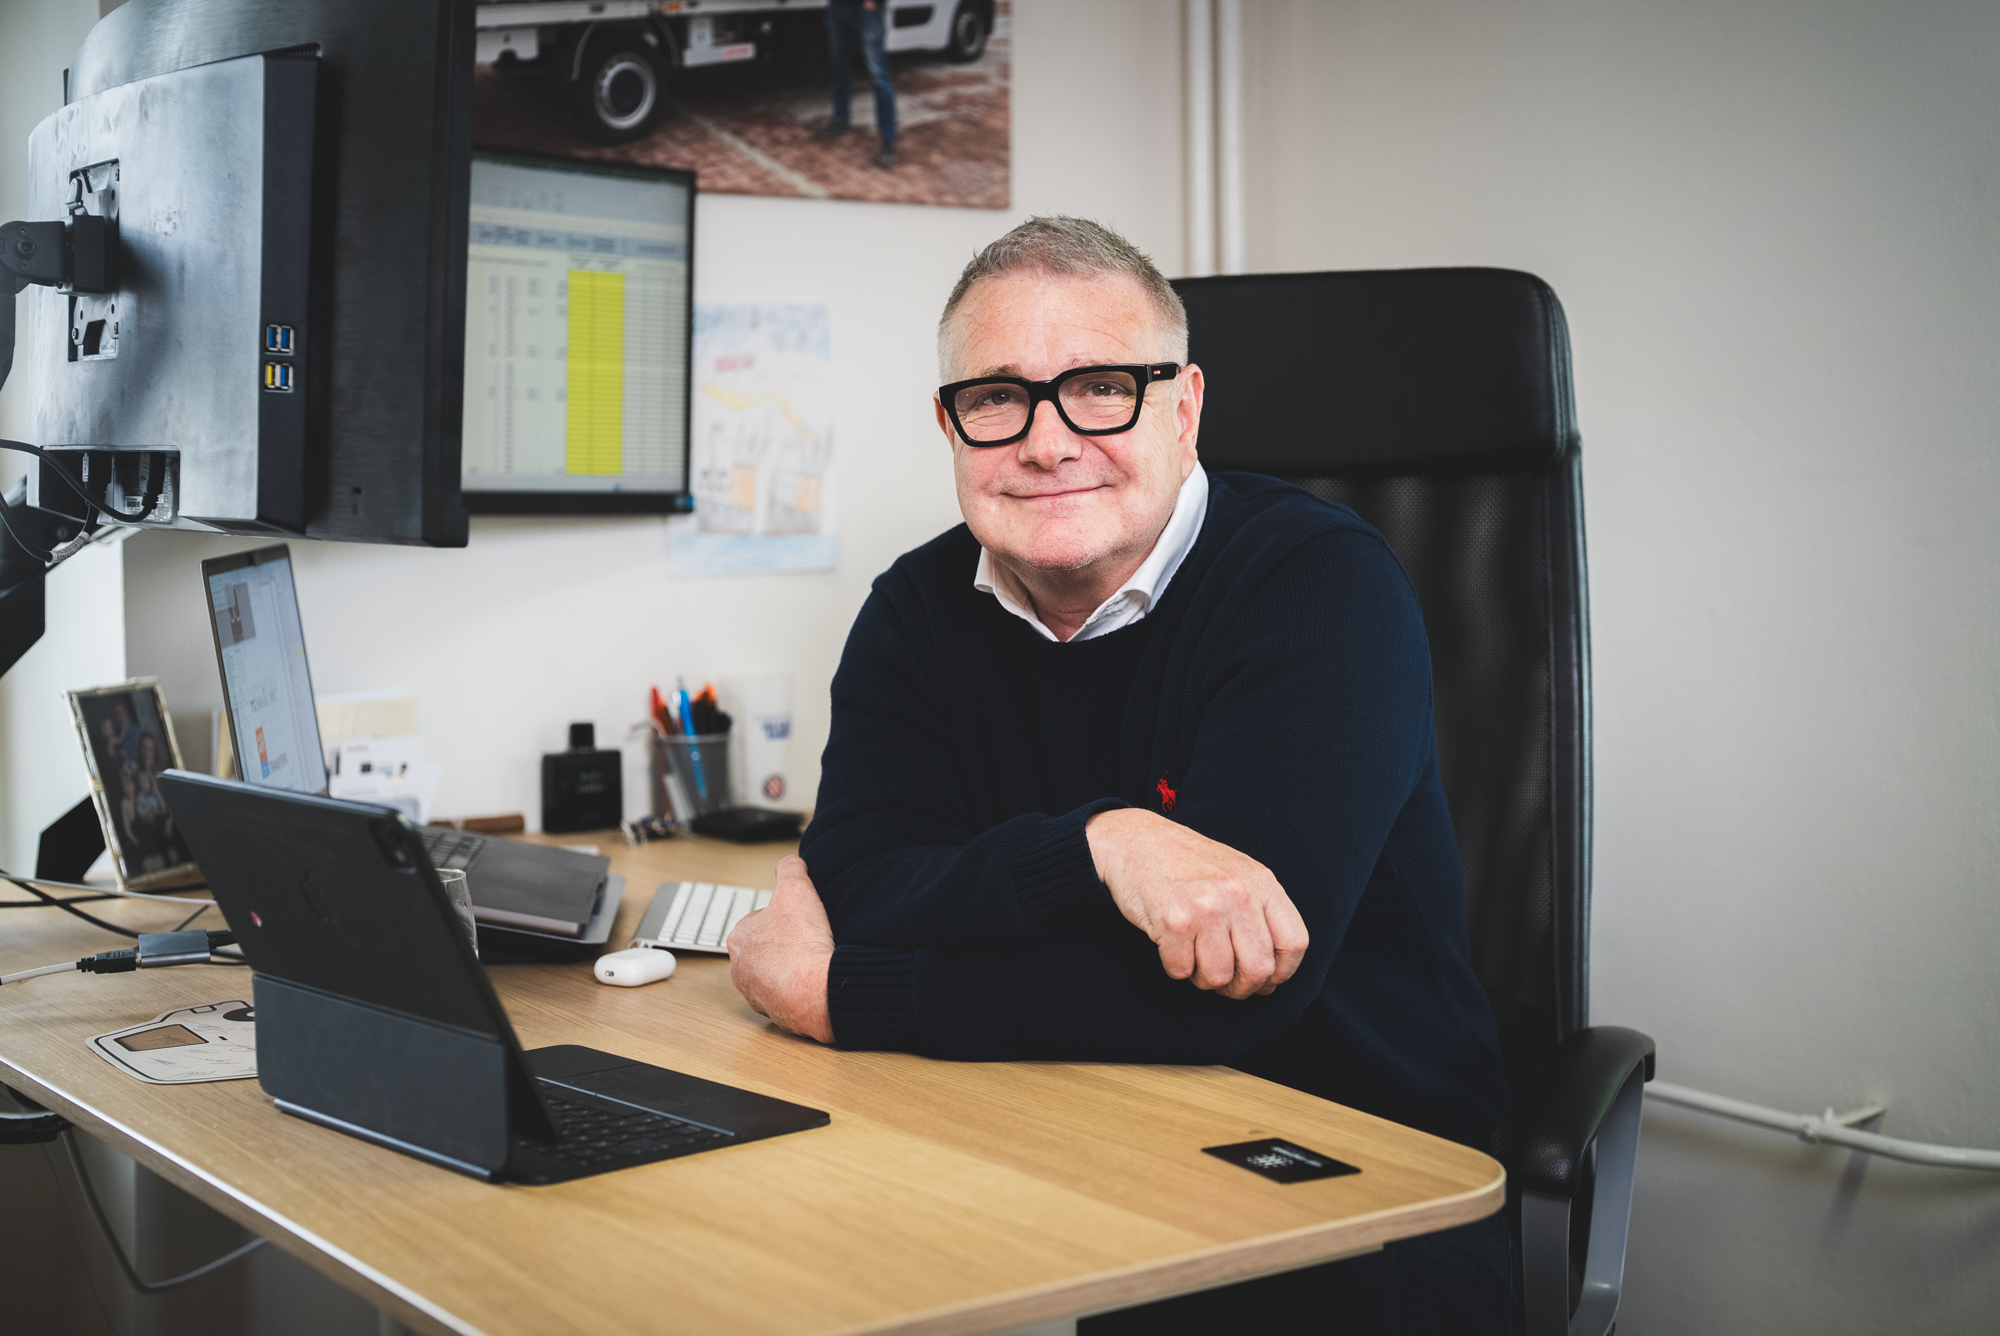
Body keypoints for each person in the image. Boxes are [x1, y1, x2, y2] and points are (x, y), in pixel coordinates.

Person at [726, 217, 1516, 1329]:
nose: (1045, 442)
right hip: (1046, 1149)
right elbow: (864, 880)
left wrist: (836, 989)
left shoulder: (1319, 588)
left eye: (1099, 388)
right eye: (995, 397)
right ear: (948, 424)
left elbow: (1228, 1001)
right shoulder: (913, 609)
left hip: (1356, 1199)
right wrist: (1103, 846)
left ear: (1183, 410)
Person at [816, 0, 898, 169]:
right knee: (839, 66)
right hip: (838, 7)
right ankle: (840, 120)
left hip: (865, 9)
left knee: (878, 75)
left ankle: (888, 140)